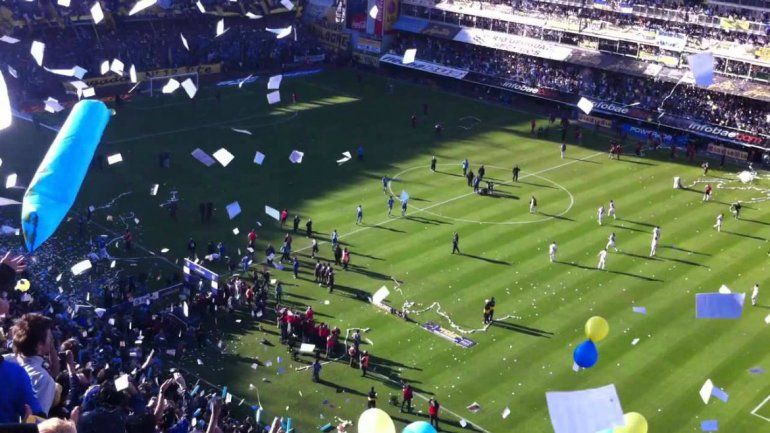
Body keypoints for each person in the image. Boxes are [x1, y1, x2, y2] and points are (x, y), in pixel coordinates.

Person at [4, 313, 58, 416]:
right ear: (39, 345)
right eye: (49, 337)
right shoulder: (43, 379)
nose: (51, 340)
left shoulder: (6, 361)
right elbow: (36, 423)